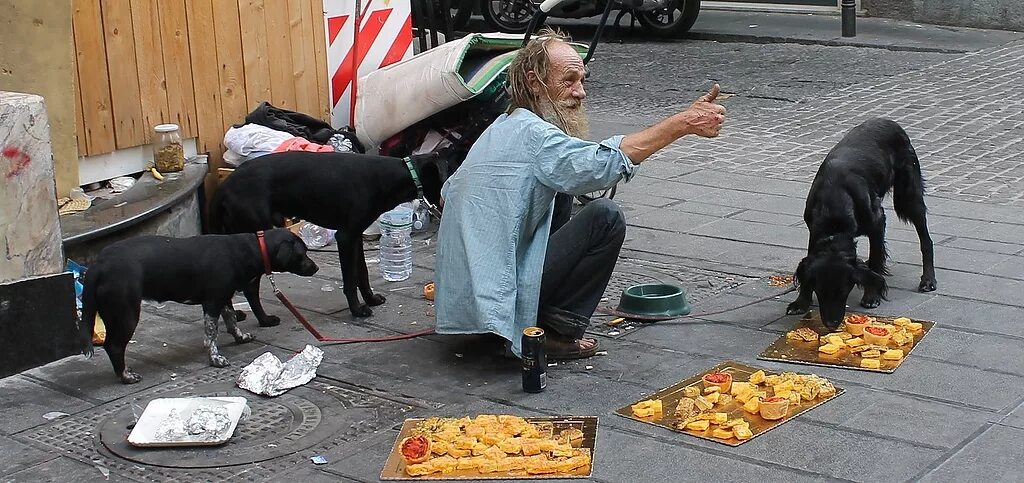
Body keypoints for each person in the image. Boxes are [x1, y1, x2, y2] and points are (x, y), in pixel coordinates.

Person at [434, 28, 726, 360]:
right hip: (497, 298)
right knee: (605, 218)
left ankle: (524, 318)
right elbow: (602, 166)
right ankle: (557, 332)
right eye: (570, 80)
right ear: (534, 82)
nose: (581, 92)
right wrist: (682, 124)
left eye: (582, 80)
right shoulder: (537, 137)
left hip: (466, 304)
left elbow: (447, 193)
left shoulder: (502, 127)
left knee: (559, 189)